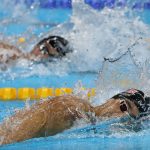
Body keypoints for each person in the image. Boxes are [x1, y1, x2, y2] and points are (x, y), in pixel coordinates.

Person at [0, 88, 149, 145]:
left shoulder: (83, 121)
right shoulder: (71, 110)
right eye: (123, 106)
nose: (118, 116)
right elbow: (9, 139)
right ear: (111, 100)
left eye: (128, 117)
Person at [0, 36, 72, 64]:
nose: (41, 53)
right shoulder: (12, 54)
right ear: (37, 44)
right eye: (43, 48)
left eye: (47, 53)